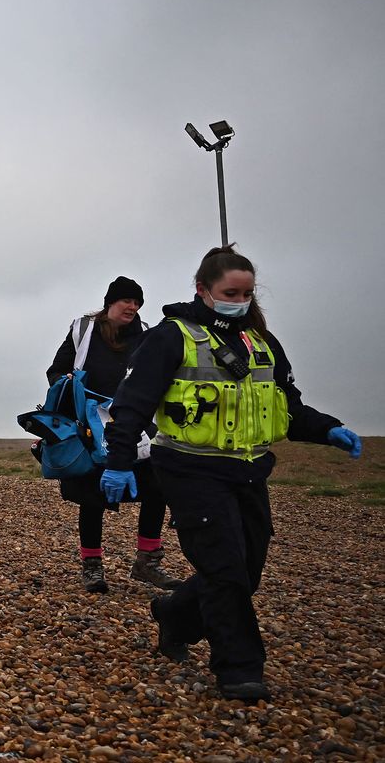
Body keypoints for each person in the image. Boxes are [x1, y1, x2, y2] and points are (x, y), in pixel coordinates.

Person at [102, 247, 362, 703]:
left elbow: (288, 406)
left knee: (246, 571)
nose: (239, 301)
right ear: (202, 289)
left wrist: (327, 428)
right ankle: (239, 669)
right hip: (188, 470)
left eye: (246, 293)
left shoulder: (262, 343)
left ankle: (175, 614)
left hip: (248, 471)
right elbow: (131, 405)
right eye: (230, 292)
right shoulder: (170, 338)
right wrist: (120, 461)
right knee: (224, 570)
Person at [46, 276, 178, 594]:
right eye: (126, 301)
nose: (132, 307)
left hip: (136, 424)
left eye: (137, 302)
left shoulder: (146, 335)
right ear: (110, 303)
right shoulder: (83, 330)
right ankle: (92, 567)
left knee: (156, 487)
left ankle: (148, 562)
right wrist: (67, 383)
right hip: (91, 426)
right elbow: (55, 371)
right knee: (92, 497)